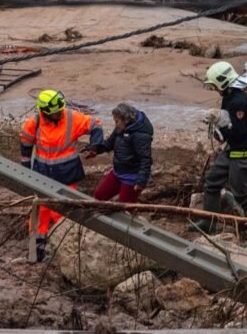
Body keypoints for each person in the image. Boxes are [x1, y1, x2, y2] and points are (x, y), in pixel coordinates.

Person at [20, 89, 104, 262]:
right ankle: (35, 252)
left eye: (60, 111)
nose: (59, 114)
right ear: (44, 112)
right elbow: (25, 148)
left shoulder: (71, 117)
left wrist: (95, 144)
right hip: (42, 176)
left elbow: (95, 124)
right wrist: (25, 171)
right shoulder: (33, 124)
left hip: (66, 176)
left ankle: (66, 253)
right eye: (55, 113)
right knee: (39, 214)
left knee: (64, 214)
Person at [191, 61, 247, 251]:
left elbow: (239, 132)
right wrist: (219, 127)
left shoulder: (239, 101)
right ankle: (209, 222)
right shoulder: (229, 97)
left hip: (242, 153)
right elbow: (228, 129)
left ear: (222, 82)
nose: (215, 89)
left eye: (215, 85)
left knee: (245, 195)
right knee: (212, 182)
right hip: (232, 150)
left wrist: (222, 123)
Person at [89, 103, 153, 203]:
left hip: (132, 178)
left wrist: (141, 182)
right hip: (117, 172)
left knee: (124, 209)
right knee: (99, 195)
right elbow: (109, 143)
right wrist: (95, 149)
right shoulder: (120, 128)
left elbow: (145, 160)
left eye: (117, 121)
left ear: (126, 120)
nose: (116, 124)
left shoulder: (141, 136)